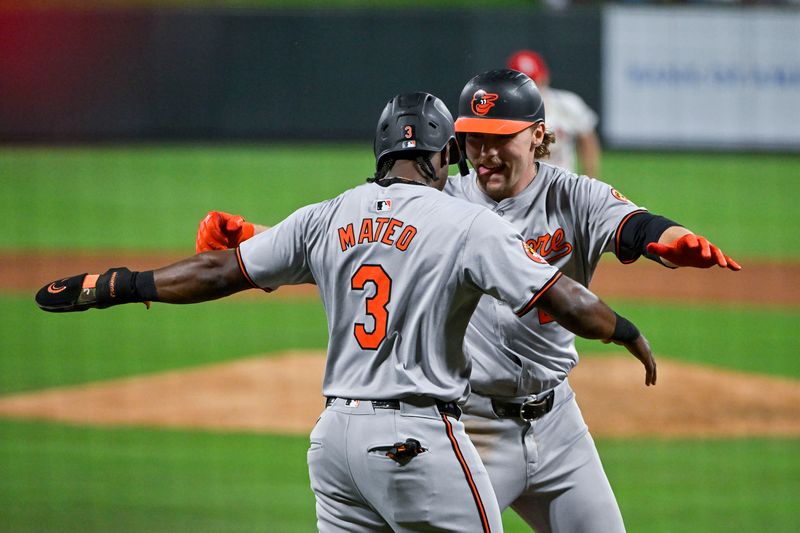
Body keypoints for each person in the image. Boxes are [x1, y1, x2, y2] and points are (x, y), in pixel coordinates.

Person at [36, 91, 657, 533]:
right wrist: (625, 330)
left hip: (333, 448)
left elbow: (219, 270)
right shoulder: (467, 222)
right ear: (446, 157)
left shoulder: (328, 215)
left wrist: (114, 284)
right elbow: (561, 297)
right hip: (417, 443)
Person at [197, 71, 739, 532]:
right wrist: (254, 235)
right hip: (471, 425)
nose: (484, 152)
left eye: (500, 137)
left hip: (558, 425)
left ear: (538, 136)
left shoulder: (573, 195)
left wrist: (669, 238)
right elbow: (352, 248)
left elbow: (635, 225)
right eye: (474, 137)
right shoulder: (438, 200)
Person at [507, 49, 602, 177]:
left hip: (564, 183)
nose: (531, 87)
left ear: (545, 77)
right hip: (524, 187)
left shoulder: (567, 104)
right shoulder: (505, 111)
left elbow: (587, 140)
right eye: (523, 83)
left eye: (534, 80)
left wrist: (590, 179)